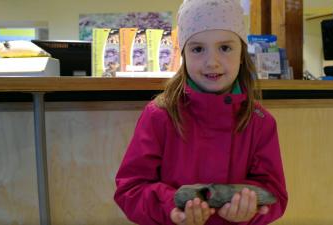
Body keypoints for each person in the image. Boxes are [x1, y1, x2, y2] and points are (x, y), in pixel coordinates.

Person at [114, 0, 288, 224]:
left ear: (242, 52)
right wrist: (172, 207)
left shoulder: (260, 122)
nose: (212, 62)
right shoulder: (159, 115)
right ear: (184, 54)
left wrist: (249, 207)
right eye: (197, 49)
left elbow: (275, 194)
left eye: (225, 48)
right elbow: (130, 190)